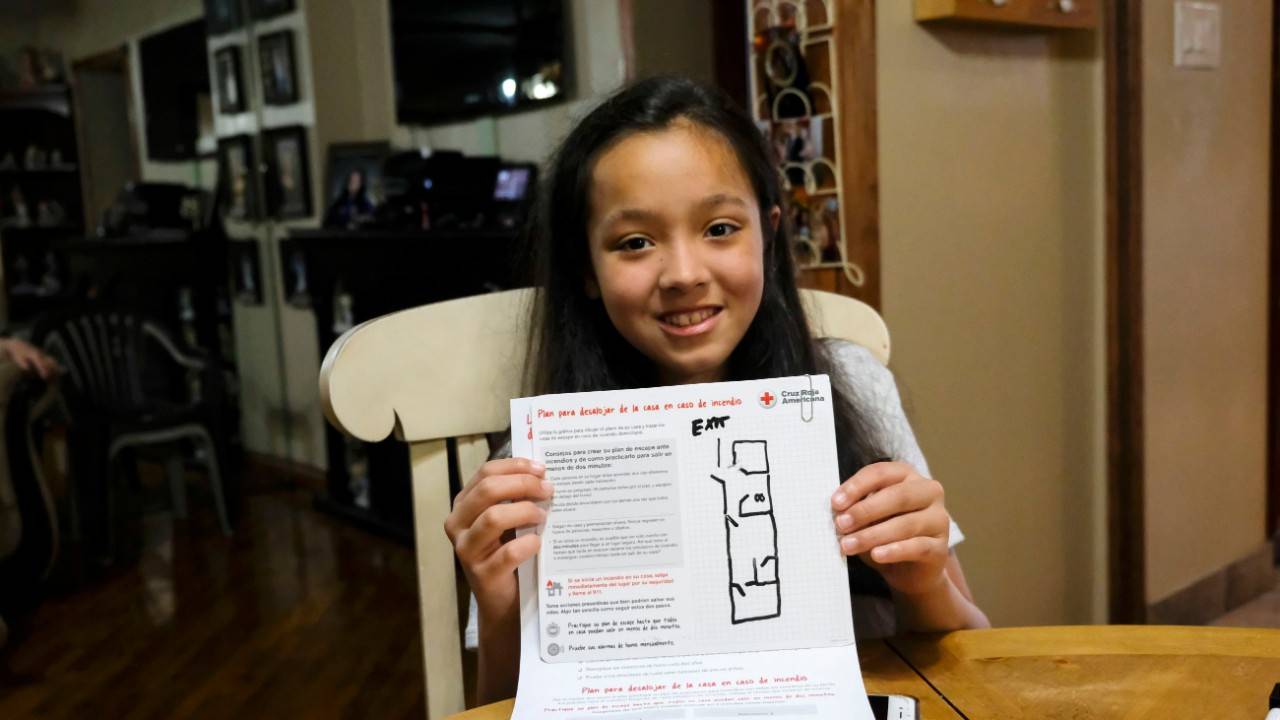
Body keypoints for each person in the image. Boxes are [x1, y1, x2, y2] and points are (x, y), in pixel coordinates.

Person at [443, 76, 990, 704]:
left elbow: (968, 653)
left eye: (721, 228)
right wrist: (498, 600)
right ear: (586, 270)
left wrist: (922, 582)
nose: (683, 274)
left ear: (770, 234)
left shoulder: (852, 385)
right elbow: (503, 709)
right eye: (635, 242)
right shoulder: (536, 462)